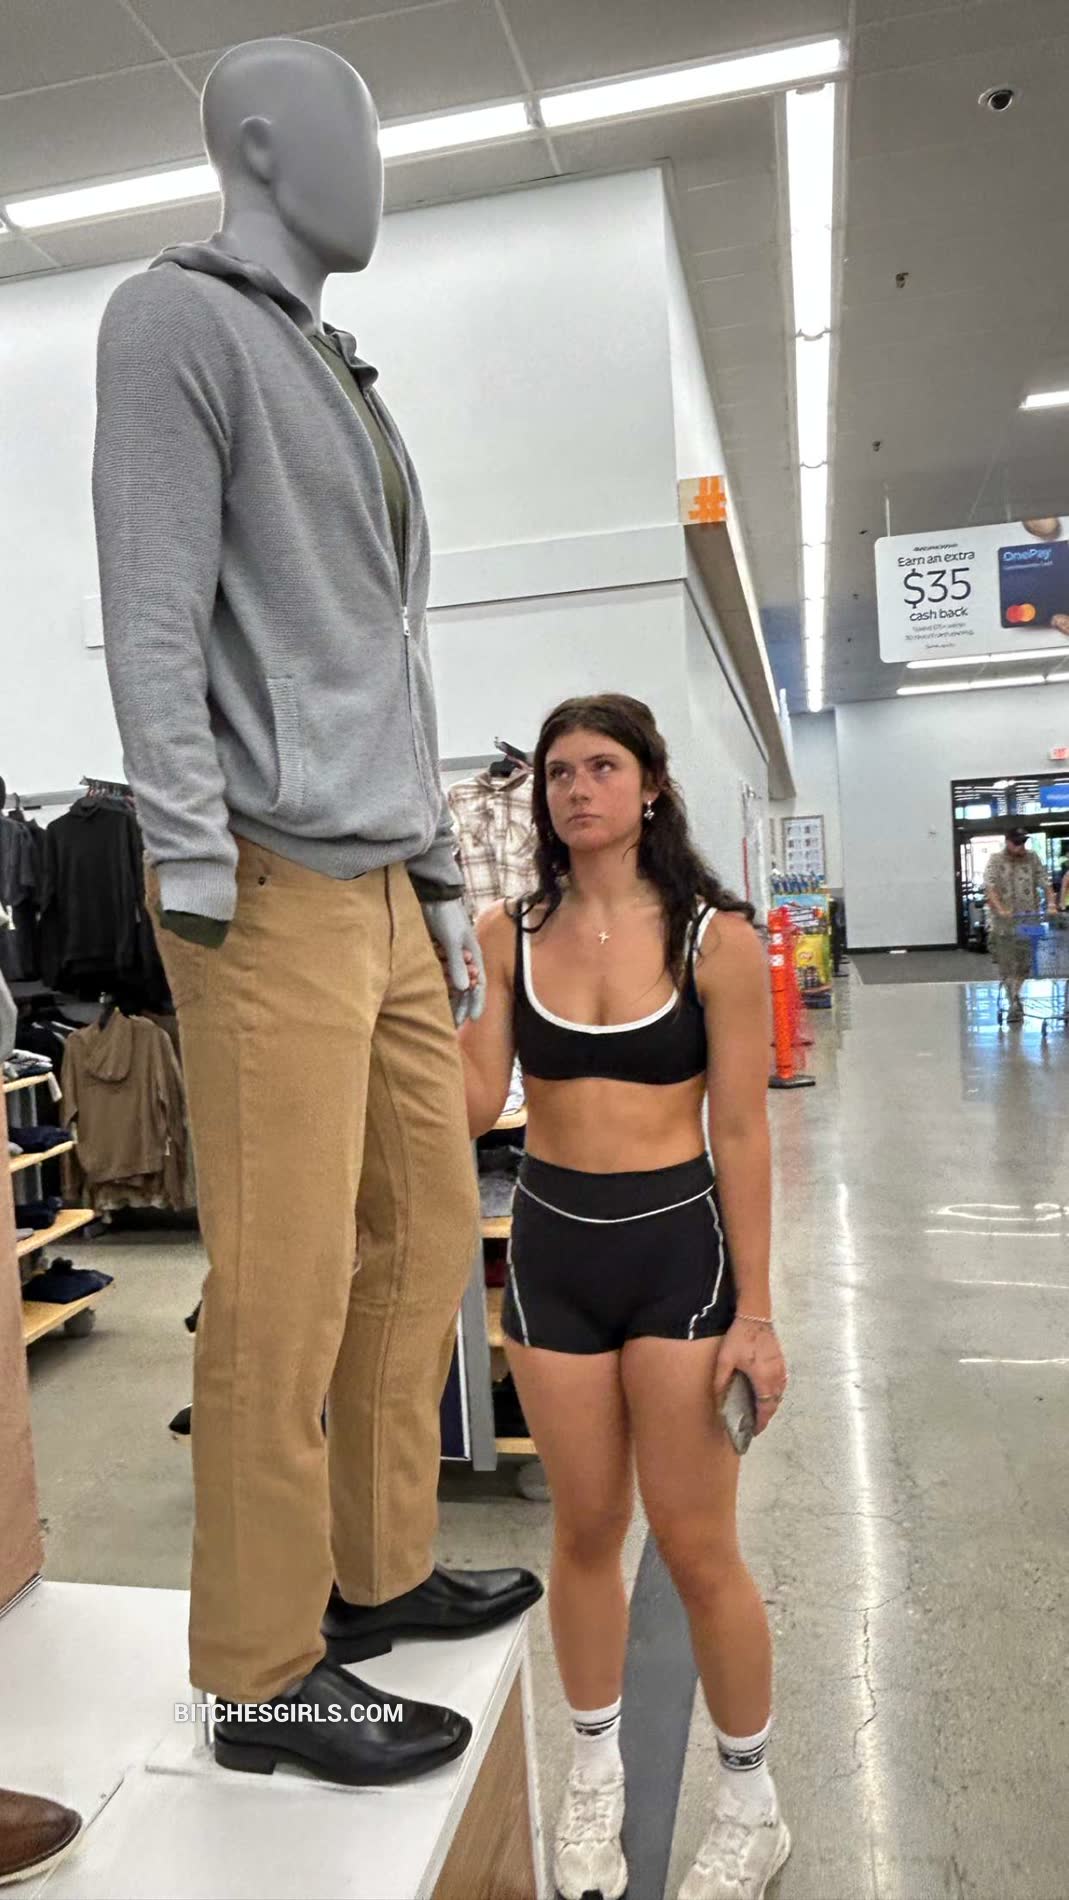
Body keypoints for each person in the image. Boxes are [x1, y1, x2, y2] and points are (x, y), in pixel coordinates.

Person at [455, 694, 790, 1900]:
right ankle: (593, 1773)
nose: (575, 789)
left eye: (601, 767)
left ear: (650, 786)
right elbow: (472, 1100)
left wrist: (756, 1312)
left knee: (697, 1547)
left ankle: (751, 1803)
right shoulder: (505, 932)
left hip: (675, 1256)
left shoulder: (716, 937)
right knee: (584, 1532)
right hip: (553, 1252)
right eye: (557, 772)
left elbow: (741, 1131)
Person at [984, 828, 1050, 1024]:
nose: (1021, 846)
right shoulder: (996, 860)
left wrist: (1052, 904)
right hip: (1003, 924)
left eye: (1023, 842)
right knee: (1006, 964)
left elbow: (1045, 882)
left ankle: (1014, 996)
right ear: (1007, 842)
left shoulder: (1032, 858)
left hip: (1028, 920)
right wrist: (1001, 909)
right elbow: (990, 887)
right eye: (1017, 842)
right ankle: (1013, 1001)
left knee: (1024, 963)